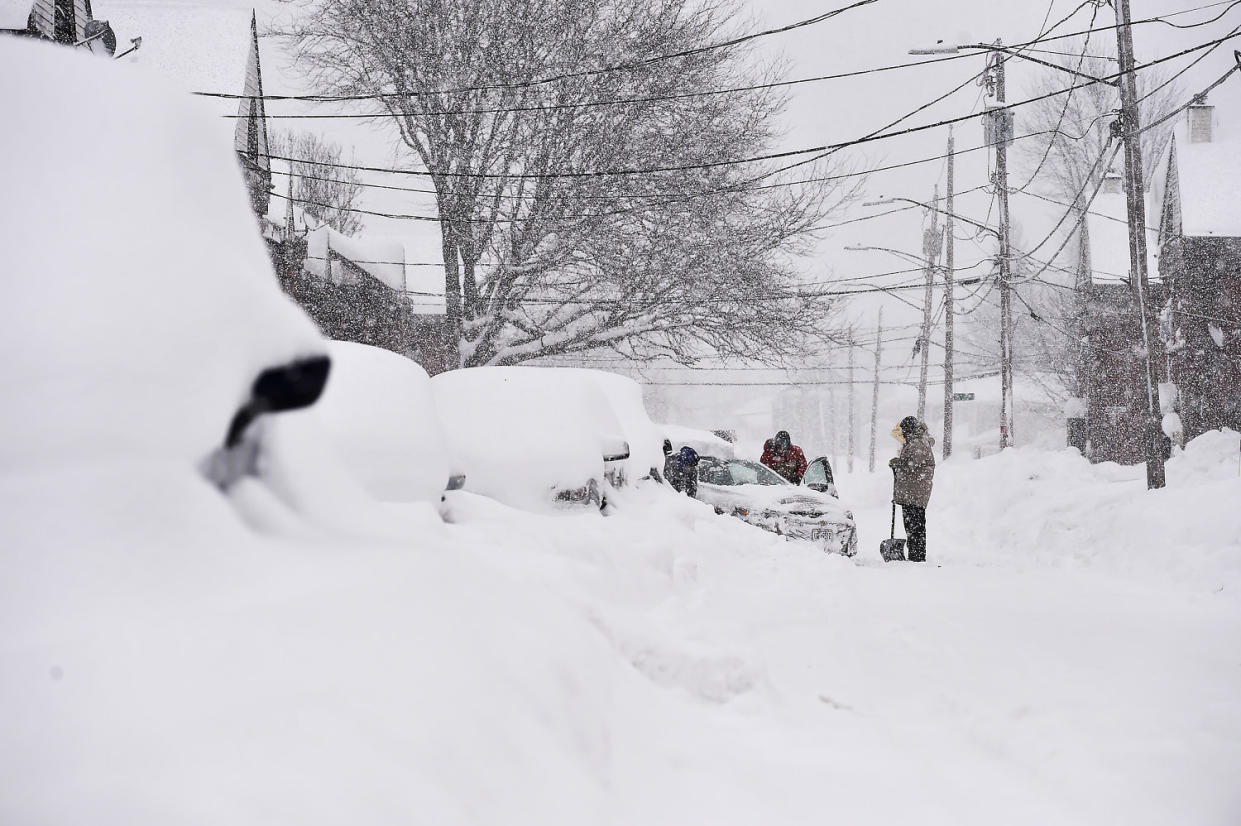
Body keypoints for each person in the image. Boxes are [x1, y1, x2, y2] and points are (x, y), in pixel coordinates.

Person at [889, 416, 936, 562]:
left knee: (915, 525)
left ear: (909, 429)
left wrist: (897, 462)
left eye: (903, 430)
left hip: (915, 492)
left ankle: (917, 555)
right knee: (913, 525)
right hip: (912, 491)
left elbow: (911, 463)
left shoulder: (918, 443)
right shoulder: (916, 441)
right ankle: (915, 553)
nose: (902, 434)